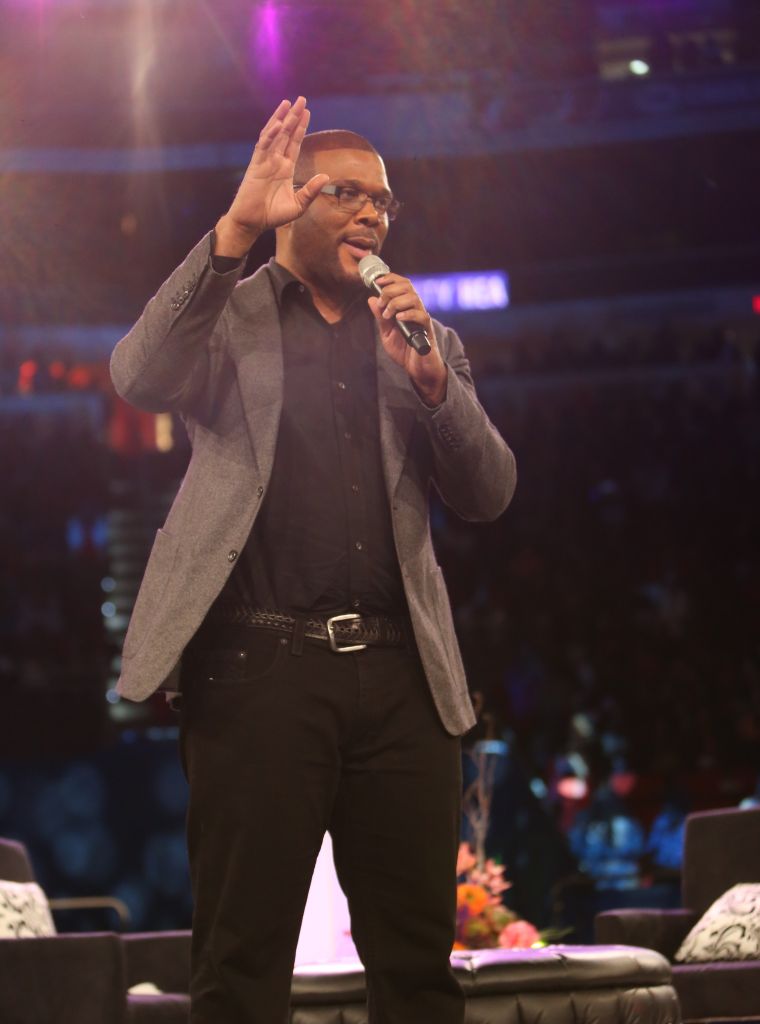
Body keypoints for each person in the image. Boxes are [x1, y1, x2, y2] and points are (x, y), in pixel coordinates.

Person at [110, 95, 516, 1024]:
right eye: (348, 194)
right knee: (241, 966)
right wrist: (233, 231)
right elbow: (138, 376)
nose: (374, 214)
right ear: (291, 201)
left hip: (404, 677)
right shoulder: (227, 315)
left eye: (384, 201)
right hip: (260, 671)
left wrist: (436, 386)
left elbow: (490, 491)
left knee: (419, 972)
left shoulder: (423, 337)